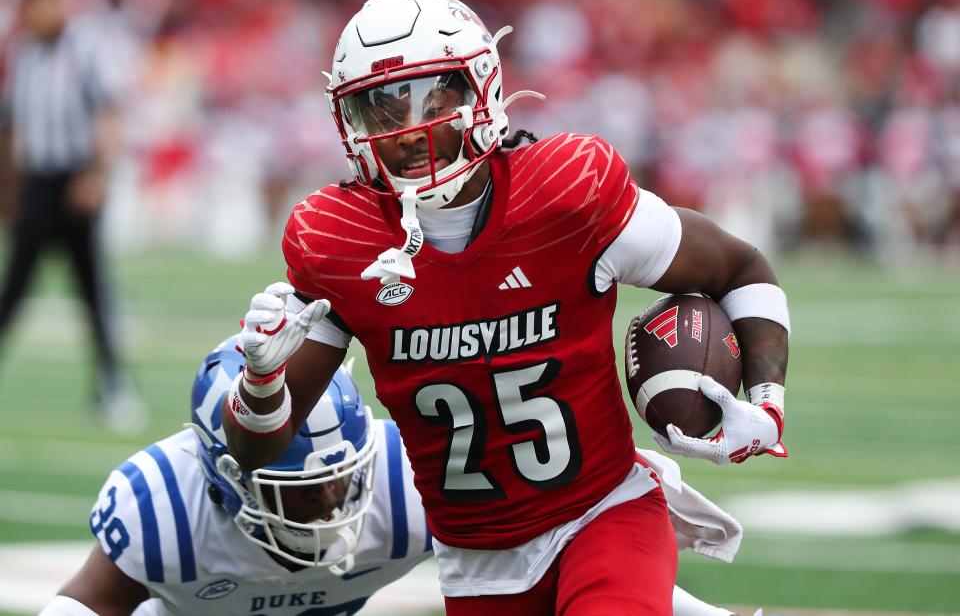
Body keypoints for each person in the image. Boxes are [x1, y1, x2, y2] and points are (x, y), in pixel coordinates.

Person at [224, 0, 790, 616]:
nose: (410, 129)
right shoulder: (339, 240)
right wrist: (261, 377)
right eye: (382, 109)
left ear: (482, 87)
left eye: (434, 95)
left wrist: (767, 403)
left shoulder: (567, 194)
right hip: (477, 559)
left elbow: (739, 266)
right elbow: (258, 448)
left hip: (601, 511)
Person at [41, 335, 752, 616]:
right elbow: (83, 604)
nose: (327, 505)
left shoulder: (406, 479)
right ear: (228, 477)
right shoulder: (164, 506)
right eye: (301, 491)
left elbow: (556, 556)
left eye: (338, 480)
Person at [0, 0, 143, 431]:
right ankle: (110, 383)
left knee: (91, 289)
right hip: (39, 182)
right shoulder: (25, 53)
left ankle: (111, 385)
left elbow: (109, 112)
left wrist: (97, 175)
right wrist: (10, 189)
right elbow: (13, 126)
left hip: (74, 179)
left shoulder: (84, 47)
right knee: (15, 287)